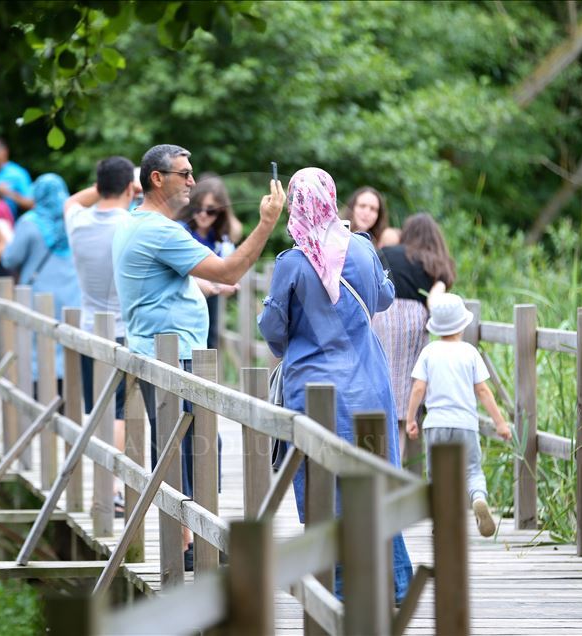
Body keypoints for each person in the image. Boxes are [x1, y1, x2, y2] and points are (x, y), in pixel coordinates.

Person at [113, 143, 284, 568]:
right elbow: (229, 270)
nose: (193, 180)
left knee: (189, 447)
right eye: (184, 173)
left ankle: (193, 540)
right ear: (158, 179)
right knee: (193, 449)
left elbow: (162, 283)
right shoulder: (160, 230)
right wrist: (266, 224)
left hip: (161, 351)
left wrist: (202, 287)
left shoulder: (137, 222)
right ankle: (193, 545)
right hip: (173, 357)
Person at [257, 167, 413, 604]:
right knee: (375, 476)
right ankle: (397, 582)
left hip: (315, 390)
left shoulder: (292, 262)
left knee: (321, 479)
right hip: (369, 383)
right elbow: (382, 299)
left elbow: (274, 331)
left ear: (294, 202)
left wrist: (270, 320)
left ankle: (338, 585)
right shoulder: (362, 248)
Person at [405, 293, 513, 537]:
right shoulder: (469, 352)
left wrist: (411, 419)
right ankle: (478, 498)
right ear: (462, 324)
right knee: (473, 470)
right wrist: (500, 423)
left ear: (435, 327)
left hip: (436, 425)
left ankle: (440, 521)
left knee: (436, 474)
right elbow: (483, 391)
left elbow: (418, 388)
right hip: (465, 424)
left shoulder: (429, 352)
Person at [64, 156, 136, 491]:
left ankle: (103, 488)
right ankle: (114, 489)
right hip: (123, 330)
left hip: (89, 326)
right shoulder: (131, 225)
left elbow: (72, 200)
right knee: (119, 412)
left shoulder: (77, 222)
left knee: (97, 409)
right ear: (130, 187)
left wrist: (108, 183)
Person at [373, 213, 455, 457]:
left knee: (381, 373)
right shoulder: (438, 263)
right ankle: (394, 459)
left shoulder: (389, 253)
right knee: (405, 385)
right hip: (413, 319)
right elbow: (436, 301)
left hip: (381, 313)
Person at [2, 173, 81, 390]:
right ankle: (69, 395)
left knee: (40, 344)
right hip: (73, 293)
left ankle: (41, 393)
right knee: (68, 343)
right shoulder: (74, 220)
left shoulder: (29, 222)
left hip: (39, 294)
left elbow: (10, 258)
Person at [176, 176, 243, 349]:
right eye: (198, 208)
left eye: (211, 210)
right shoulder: (180, 231)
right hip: (181, 304)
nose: (203, 214)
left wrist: (224, 285)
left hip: (209, 303)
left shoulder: (220, 237)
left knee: (209, 344)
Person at [0, 136, 34, 216]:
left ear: (5, 151)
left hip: (9, 224)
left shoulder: (17, 174)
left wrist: (8, 193)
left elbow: (31, 204)